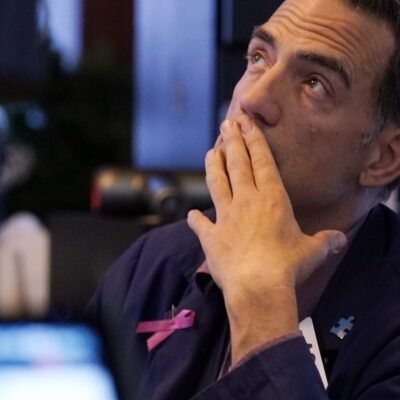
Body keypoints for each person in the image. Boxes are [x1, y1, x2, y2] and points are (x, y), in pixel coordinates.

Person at [87, 0, 400, 398]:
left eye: (314, 83)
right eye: (259, 58)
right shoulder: (153, 265)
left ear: (383, 158)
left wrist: (261, 307)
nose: (253, 99)